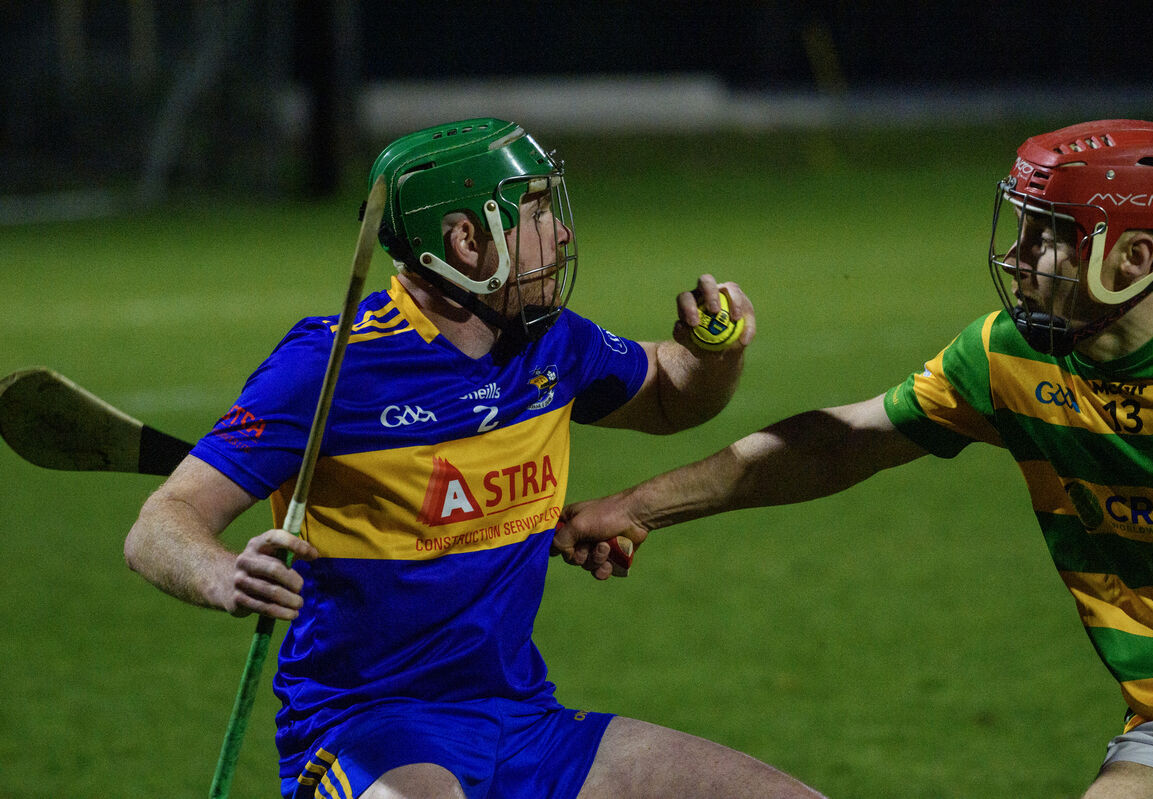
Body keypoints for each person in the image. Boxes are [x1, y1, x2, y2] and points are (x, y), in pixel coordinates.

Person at [124, 118, 825, 799]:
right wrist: (224, 575)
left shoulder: (549, 345)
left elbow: (673, 395)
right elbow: (162, 520)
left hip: (524, 723)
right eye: (539, 211)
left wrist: (714, 354)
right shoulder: (329, 367)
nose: (564, 233)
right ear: (466, 240)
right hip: (366, 730)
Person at [553, 119, 1153, 799]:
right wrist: (636, 507)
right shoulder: (1006, 358)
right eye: (1023, 226)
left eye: (1048, 235)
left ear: (1132, 255)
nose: (1015, 254)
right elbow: (837, 443)